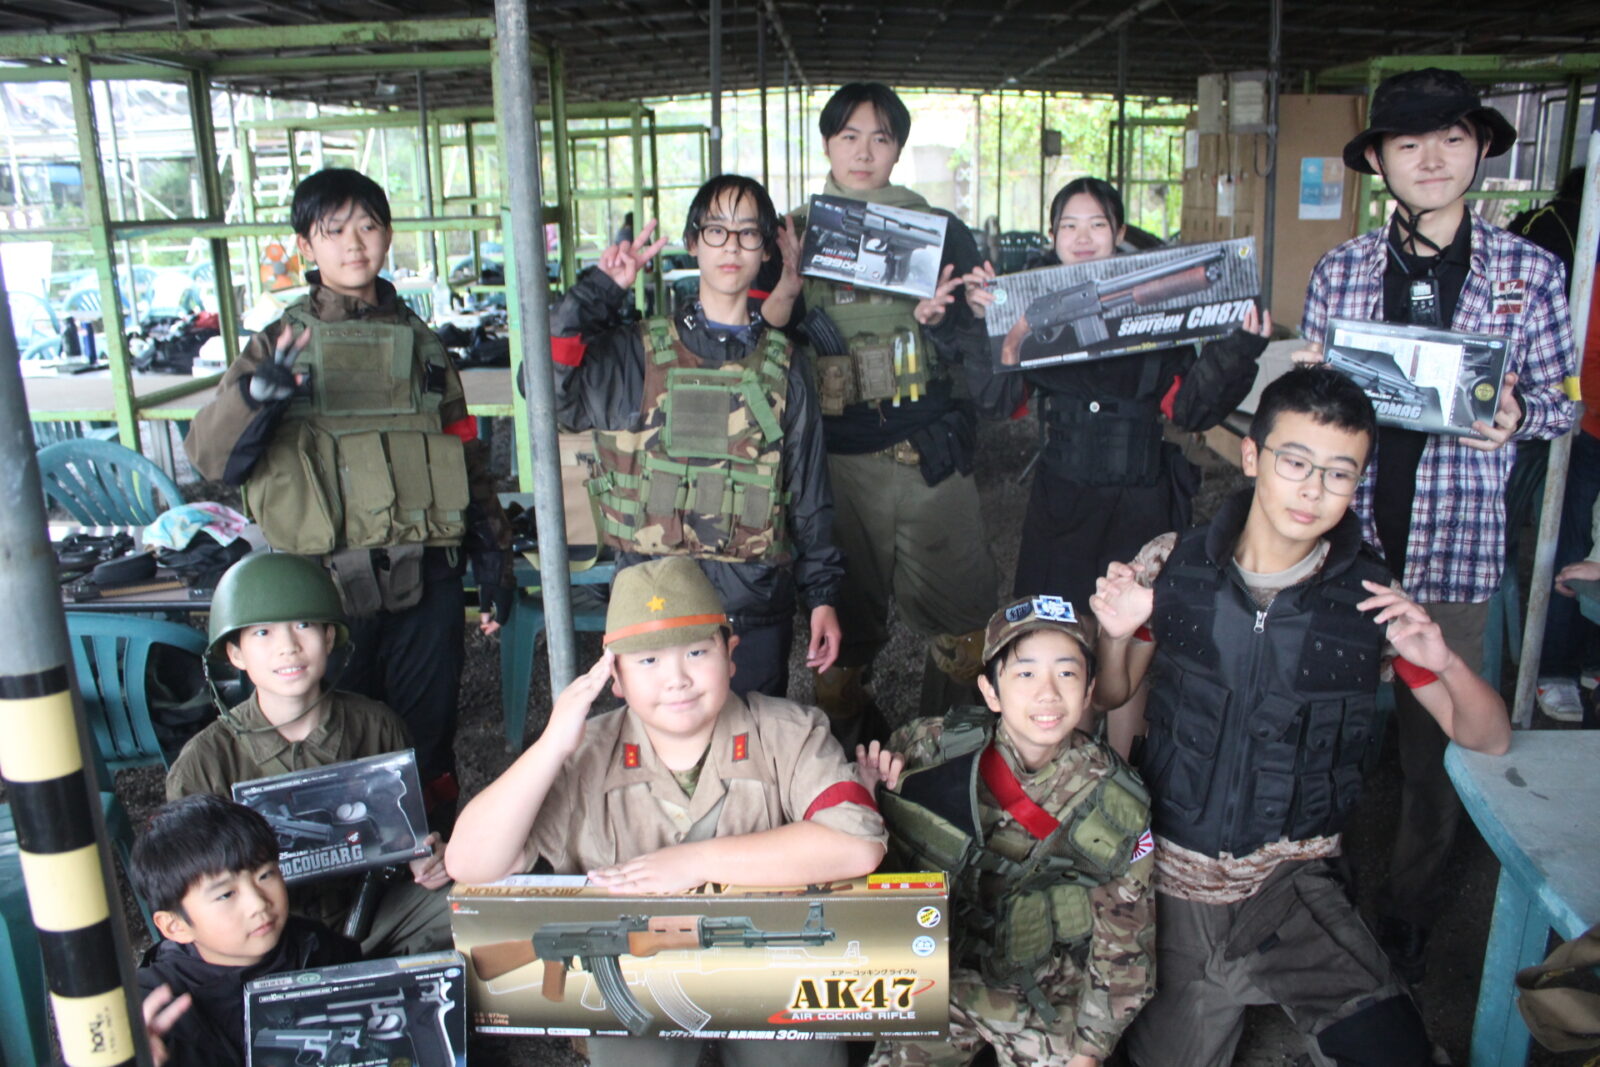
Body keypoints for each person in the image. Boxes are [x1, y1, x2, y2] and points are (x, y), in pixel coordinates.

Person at [1089, 366, 1512, 1066]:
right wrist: (1116, 631)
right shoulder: (1171, 565)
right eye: (1295, 462)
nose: (1313, 490)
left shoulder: (1371, 600)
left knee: (1396, 1053)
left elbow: (1487, 736)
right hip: (1171, 884)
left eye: (1339, 473)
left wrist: (1444, 660)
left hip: (1287, 889)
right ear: (1252, 456)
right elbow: (1112, 692)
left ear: (1358, 482)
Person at [1298, 68, 1575, 981]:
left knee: (1438, 749)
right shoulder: (1342, 270)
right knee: (1327, 733)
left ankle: (1409, 910)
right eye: (1408, 142)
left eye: (1453, 138)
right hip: (1347, 548)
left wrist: (1522, 414)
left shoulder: (1529, 272)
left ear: (1481, 148)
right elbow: (1309, 412)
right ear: (1378, 159)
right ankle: (1317, 892)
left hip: (1456, 551)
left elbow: (1563, 403)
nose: (1431, 158)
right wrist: (1310, 382)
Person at [446, 554, 886, 1067]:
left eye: (697, 651)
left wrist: (694, 861)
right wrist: (550, 746)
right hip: (635, 978)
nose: (676, 678)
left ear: (731, 654)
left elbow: (857, 843)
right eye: (648, 661)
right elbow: (470, 864)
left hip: (766, 968)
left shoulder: (790, 733)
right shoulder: (586, 754)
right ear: (615, 676)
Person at [184, 168, 514, 821]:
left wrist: (493, 558)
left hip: (426, 579)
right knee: (328, 744)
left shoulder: (424, 345)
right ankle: (336, 869)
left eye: (367, 226)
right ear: (306, 245)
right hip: (321, 592)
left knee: (427, 742)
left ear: (388, 234)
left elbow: (464, 453)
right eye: (334, 230)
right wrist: (257, 397)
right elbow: (213, 458)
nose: (354, 244)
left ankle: (428, 858)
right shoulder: (281, 344)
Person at [550, 174, 843, 699]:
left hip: (752, 606)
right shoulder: (637, 353)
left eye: (747, 233)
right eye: (716, 231)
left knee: (751, 739)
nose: (731, 246)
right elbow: (547, 387)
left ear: (765, 249)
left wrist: (822, 595)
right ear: (693, 242)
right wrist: (600, 290)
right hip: (653, 602)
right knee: (661, 741)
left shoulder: (787, 366)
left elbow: (808, 494)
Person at [783, 82, 999, 739]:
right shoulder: (795, 233)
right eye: (849, 136)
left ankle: (950, 754)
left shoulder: (940, 231)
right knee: (838, 644)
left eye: (880, 138)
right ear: (827, 144)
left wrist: (946, 321)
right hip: (837, 465)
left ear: (898, 148)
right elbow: (762, 339)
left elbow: (981, 349)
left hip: (926, 451)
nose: (863, 152)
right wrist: (787, 287)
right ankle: (853, 761)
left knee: (967, 630)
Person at [857, 595, 1155, 1067]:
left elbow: (1124, 945)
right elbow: (862, 867)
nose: (1047, 693)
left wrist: (1090, 1049)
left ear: (1089, 690)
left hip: (1043, 987)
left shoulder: (1113, 801)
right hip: (936, 973)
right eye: (1025, 673)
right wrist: (865, 795)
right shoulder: (928, 749)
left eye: (1067, 673)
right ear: (990, 691)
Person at [964, 176, 1271, 607]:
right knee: (1056, 620)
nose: (1083, 238)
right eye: (1069, 226)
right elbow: (997, 400)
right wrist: (986, 324)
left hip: (1140, 500)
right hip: (1062, 499)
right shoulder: (1029, 297)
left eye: (1097, 225)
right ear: (1052, 235)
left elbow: (1191, 411)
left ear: (1120, 232)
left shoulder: (1153, 310)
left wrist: (1238, 348)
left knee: (1135, 624)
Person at [166, 551, 453, 958]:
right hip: (265, 935)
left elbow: (414, 829)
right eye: (262, 633)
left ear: (330, 638)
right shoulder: (205, 763)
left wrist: (429, 856)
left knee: (479, 896)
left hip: (375, 913)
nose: (288, 647)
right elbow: (194, 890)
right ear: (235, 654)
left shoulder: (376, 726)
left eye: (304, 625)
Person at [131, 794, 363, 1067]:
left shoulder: (316, 944)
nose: (258, 903)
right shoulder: (144, 1011)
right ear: (176, 926)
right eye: (226, 894)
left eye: (265, 875)